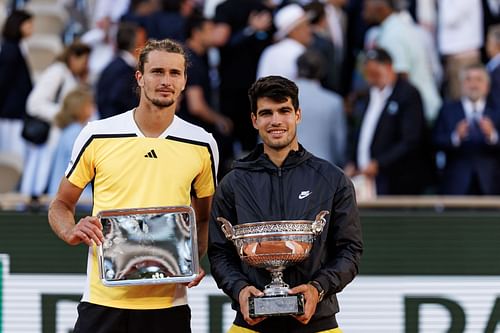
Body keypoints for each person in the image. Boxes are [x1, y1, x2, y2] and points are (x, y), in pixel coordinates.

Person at [48, 39, 219, 333]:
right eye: (157, 71)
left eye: (174, 73)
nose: (166, 81)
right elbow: (61, 204)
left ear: (184, 81)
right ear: (140, 77)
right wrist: (70, 229)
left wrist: (193, 258)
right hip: (102, 301)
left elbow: (203, 217)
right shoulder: (97, 134)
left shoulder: (202, 143)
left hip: (170, 307)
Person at [208, 75, 363, 333]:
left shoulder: (332, 179)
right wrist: (241, 290)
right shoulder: (233, 183)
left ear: (298, 115)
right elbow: (219, 252)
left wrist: (317, 289)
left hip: (318, 323)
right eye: (266, 113)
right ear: (254, 120)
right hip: (251, 324)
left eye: (284, 111)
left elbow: (350, 250)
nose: (276, 120)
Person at [345, 48, 431, 195]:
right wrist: (353, 160)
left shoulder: (408, 94)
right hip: (364, 178)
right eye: (368, 74)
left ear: (389, 67)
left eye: (375, 73)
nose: (371, 78)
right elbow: (361, 132)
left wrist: (379, 163)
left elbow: (410, 140)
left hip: (396, 180)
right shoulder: (368, 95)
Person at [21, 41, 91, 203]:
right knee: (38, 179)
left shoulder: (71, 76)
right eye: (83, 61)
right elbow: (34, 103)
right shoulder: (57, 72)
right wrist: (64, 113)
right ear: (73, 58)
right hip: (46, 136)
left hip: (59, 133)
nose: (85, 66)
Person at [433, 64, 500, 195]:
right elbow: (434, 141)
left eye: (478, 79)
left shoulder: (497, 111)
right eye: (468, 79)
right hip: (456, 185)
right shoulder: (448, 109)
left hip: (492, 184)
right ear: (462, 85)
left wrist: (493, 135)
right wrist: (455, 137)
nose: (473, 84)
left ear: (487, 86)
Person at [295, 49, 346, 167]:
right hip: (322, 170)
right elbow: (339, 143)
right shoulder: (333, 102)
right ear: (321, 72)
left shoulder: (279, 99)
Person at [48, 86, 95, 200]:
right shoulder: (76, 133)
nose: (93, 108)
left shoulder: (68, 131)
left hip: (63, 192)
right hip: (71, 195)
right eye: (90, 105)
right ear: (81, 108)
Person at [0, 10, 33, 162]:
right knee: (11, 157)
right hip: (10, 114)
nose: (32, 27)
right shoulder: (10, 49)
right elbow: (3, 82)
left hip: (16, 111)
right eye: (29, 24)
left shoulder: (18, 47)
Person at [96, 21, 140, 119]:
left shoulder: (113, 66)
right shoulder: (124, 70)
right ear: (135, 43)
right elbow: (118, 99)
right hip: (117, 127)